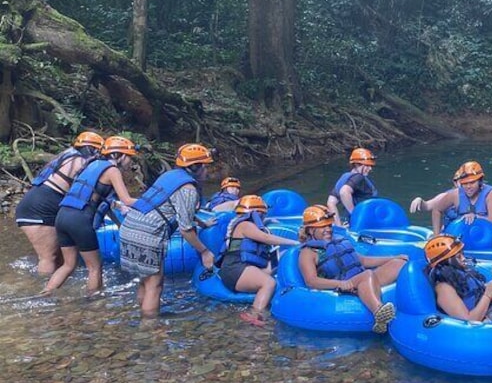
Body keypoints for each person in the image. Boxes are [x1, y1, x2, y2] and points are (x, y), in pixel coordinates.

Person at [118, 143, 217, 318]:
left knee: (145, 279)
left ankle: (141, 314)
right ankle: (150, 326)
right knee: (155, 284)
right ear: (196, 167)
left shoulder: (170, 175)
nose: (207, 171)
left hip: (129, 226)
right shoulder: (188, 189)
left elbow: (176, 208)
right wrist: (205, 251)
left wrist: (203, 224)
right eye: (205, 166)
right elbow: (186, 229)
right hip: (147, 234)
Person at [41, 136, 139, 296]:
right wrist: (152, 203)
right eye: (129, 157)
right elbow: (126, 199)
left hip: (62, 215)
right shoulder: (112, 170)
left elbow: (99, 198)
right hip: (80, 219)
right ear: (118, 155)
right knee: (95, 267)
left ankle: (44, 294)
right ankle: (93, 304)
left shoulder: (91, 164)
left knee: (68, 265)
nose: (130, 162)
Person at [298, 204, 406, 333]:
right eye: (322, 227)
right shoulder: (308, 252)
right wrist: (341, 283)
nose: (328, 229)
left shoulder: (338, 241)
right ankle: (379, 312)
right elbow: (311, 281)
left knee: (400, 263)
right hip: (345, 284)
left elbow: (363, 260)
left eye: (329, 225)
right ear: (310, 230)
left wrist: (394, 257)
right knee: (367, 275)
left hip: (363, 278)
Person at [15, 131, 104, 275]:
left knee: (61, 257)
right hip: (37, 210)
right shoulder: (82, 162)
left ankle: (58, 289)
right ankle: (44, 293)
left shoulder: (68, 155)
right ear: (92, 149)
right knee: (49, 257)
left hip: (38, 204)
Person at [217, 195, 298, 327]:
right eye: (263, 214)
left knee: (278, 260)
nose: (264, 217)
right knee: (269, 283)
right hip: (235, 268)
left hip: (242, 267)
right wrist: (294, 243)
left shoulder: (246, 224)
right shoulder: (244, 225)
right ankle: (255, 315)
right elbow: (265, 238)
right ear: (257, 213)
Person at [424, 161, 492, 234]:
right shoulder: (455, 194)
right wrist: (436, 235)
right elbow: (437, 209)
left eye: (472, 182)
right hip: (460, 237)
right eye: (465, 183)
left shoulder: (490, 194)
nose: (468, 187)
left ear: (480, 181)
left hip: (484, 239)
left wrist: (476, 217)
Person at [327, 148, 378, 226]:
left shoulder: (345, 177)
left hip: (351, 223)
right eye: (367, 165)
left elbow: (331, 202)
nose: (370, 168)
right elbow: (344, 192)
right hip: (365, 222)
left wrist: (338, 226)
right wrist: (354, 213)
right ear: (356, 164)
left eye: (370, 166)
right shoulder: (358, 178)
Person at [408, 165, 464, 232]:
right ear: (455, 183)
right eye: (461, 181)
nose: (465, 184)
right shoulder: (447, 196)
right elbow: (427, 206)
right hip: (450, 233)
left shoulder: (477, 197)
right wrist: (420, 201)